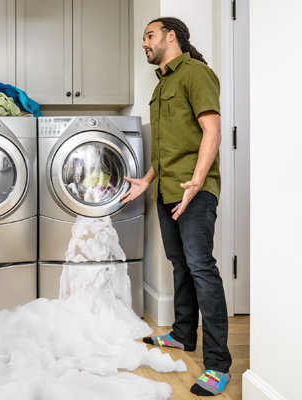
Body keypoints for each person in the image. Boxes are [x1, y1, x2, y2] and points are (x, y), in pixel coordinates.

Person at [120, 17, 232, 396]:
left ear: (171, 37)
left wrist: (198, 181)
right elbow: (169, 145)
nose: (144, 44)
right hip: (169, 189)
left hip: (194, 190)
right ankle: (184, 336)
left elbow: (212, 131)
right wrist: (147, 181)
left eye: (149, 36)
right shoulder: (163, 83)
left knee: (202, 267)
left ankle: (218, 364)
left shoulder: (196, 74)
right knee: (180, 264)